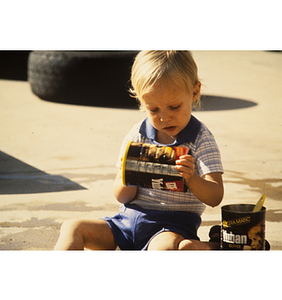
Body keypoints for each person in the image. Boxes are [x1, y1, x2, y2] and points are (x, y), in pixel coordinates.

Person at [54, 51, 224, 250]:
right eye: (153, 110)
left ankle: (205, 247)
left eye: (174, 106)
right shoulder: (138, 134)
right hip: (126, 223)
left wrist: (192, 178)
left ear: (195, 93)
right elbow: (121, 195)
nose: (164, 118)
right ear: (141, 103)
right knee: (73, 227)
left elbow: (215, 196)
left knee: (165, 248)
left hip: (170, 228)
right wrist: (129, 176)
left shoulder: (200, 139)